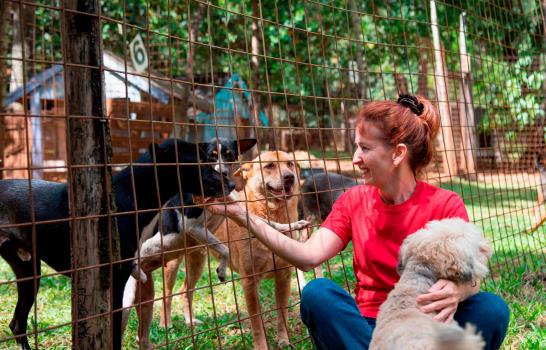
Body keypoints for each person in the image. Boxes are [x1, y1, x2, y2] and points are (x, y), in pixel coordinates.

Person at [205, 94, 510, 350]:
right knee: (317, 294)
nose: (355, 158)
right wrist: (241, 215)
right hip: (367, 328)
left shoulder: (445, 203)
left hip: (426, 324)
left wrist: (459, 292)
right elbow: (307, 257)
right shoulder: (353, 200)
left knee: (491, 309)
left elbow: (472, 277)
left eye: (364, 148)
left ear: (397, 154)